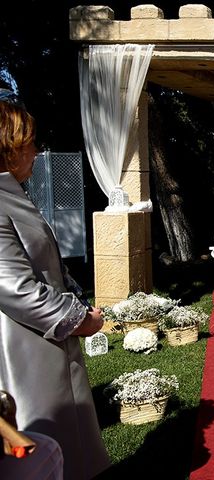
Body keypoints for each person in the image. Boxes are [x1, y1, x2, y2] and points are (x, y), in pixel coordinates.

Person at [0, 98, 110, 479]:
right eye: (28, 142)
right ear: (9, 148)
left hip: (47, 347)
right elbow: (15, 288)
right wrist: (81, 319)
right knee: (44, 453)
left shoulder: (12, 194)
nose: (35, 150)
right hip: (27, 352)